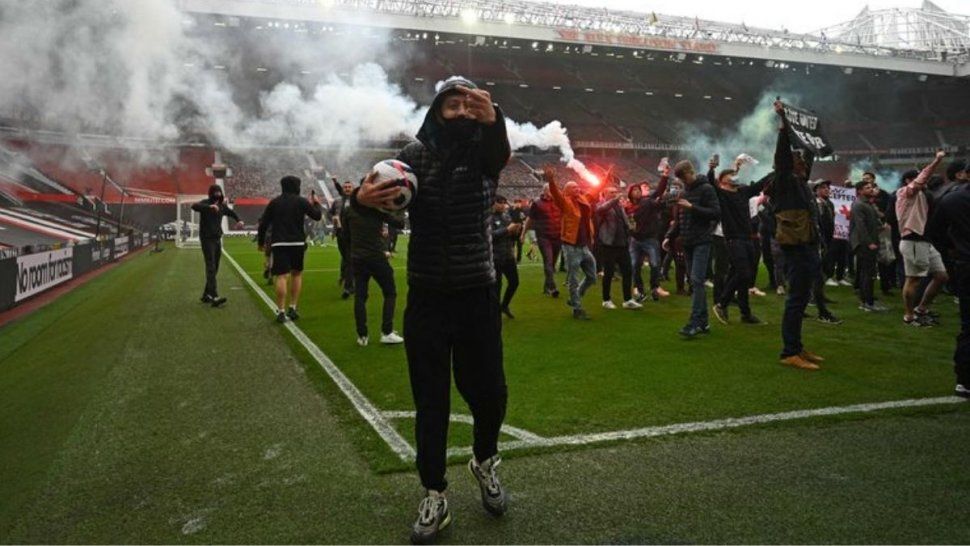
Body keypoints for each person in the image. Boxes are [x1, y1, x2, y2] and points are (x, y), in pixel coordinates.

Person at [355, 76, 510, 544]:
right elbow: (377, 201)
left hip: (477, 293)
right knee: (431, 402)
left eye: (469, 104)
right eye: (452, 104)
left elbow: (498, 154)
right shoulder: (412, 156)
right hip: (427, 297)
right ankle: (434, 492)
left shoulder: (485, 151)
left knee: (490, 395)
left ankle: (484, 460)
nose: (461, 111)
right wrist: (358, 201)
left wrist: (495, 120)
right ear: (437, 110)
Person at [766, 99, 825, 370]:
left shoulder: (800, 182)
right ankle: (789, 351)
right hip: (796, 246)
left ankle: (798, 346)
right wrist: (784, 126)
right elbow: (782, 157)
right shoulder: (785, 180)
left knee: (802, 297)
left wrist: (811, 130)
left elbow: (809, 154)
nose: (802, 162)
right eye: (798, 159)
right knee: (796, 299)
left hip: (807, 243)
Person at [663, 159, 721, 338]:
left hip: (702, 241)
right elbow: (681, 218)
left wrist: (692, 207)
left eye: (683, 178)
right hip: (687, 241)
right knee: (695, 282)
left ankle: (695, 322)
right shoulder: (684, 191)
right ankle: (702, 322)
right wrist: (669, 236)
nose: (682, 181)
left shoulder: (707, 189)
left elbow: (716, 213)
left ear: (690, 172)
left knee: (696, 281)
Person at [710, 158, 771, 325]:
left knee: (744, 276)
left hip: (747, 238)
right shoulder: (721, 195)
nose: (735, 176)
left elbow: (760, 184)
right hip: (733, 239)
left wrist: (777, 170)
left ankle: (745, 313)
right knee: (743, 273)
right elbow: (711, 183)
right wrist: (711, 169)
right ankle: (722, 303)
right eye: (731, 175)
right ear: (722, 181)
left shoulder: (743, 192)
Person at [925, 178, 970, 399]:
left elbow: (934, 232)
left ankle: (964, 379)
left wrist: (953, 250)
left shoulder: (952, 200)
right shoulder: (952, 199)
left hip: (965, 264)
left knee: (968, 325)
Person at [257, 176, 324, 323]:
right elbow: (317, 216)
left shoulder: (274, 202)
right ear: (297, 186)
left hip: (279, 243)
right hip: (297, 243)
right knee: (297, 274)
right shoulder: (301, 201)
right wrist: (317, 204)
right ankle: (293, 308)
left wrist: (261, 242)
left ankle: (280, 311)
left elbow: (263, 224)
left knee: (281, 276)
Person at [345, 188, 405, 346]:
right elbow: (400, 223)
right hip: (376, 256)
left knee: (360, 296)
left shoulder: (348, 210)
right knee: (390, 292)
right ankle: (387, 332)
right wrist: (396, 205)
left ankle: (362, 336)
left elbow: (346, 235)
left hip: (357, 257)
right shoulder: (377, 209)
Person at [897, 151, 948, 327]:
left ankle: (922, 309)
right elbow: (922, 179)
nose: (923, 180)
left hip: (925, 241)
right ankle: (909, 316)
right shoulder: (906, 192)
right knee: (913, 279)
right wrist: (937, 160)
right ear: (907, 180)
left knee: (941, 276)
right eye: (917, 177)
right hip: (913, 240)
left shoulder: (922, 196)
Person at [547, 168, 599, 320]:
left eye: (578, 187)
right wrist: (551, 181)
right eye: (574, 187)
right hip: (571, 246)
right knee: (573, 279)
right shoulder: (565, 202)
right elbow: (556, 194)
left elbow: (595, 190)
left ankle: (576, 297)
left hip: (583, 246)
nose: (578, 189)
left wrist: (606, 178)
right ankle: (577, 308)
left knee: (592, 277)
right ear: (568, 190)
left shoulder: (583, 199)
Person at [191, 184, 243, 307]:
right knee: (211, 267)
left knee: (215, 267)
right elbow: (194, 206)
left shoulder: (222, 206)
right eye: (215, 192)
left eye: (219, 192)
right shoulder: (205, 203)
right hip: (206, 239)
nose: (218, 195)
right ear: (211, 193)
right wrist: (210, 207)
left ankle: (206, 295)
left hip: (217, 239)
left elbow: (231, 213)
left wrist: (239, 220)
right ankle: (214, 296)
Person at [595, 185, 642, 310]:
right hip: (609, 244)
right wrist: (615, 199)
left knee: (627, 272)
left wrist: (630, 227)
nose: (615, 194)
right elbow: (601, 210)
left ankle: (628, 299)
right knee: (609, 273)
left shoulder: (619, 206)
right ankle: (606, 300)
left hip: (622, 244)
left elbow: (624, 220)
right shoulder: (601, 205)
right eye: (611, 192)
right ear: (604, 194)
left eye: (616, 192)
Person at [627, 171, 670, 302]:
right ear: (630, 193)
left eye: (638, 189)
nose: (637, 192)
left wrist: (664, 176)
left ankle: (654, 287)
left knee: (655, 264)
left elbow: (658, 191)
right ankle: (638, 288)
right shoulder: (627, 207)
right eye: (634, 190)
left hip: (650, 239)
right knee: (635, 265)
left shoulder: (647, 202)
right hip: (635, 240)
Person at [850, 180, 886, 312]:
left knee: (869, 273)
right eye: (867, 187)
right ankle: (867, 302)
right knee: (867, 273)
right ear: (860, 191)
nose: (871, 189)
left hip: (869, 242)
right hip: (864, 244)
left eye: (871, 187)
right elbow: (861, 227)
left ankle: (867, 300)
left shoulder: (868, 204)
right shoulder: (859, 205)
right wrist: (869, 242)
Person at [810, 180, 842, 324]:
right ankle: (816, 299)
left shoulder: (828, 203)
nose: (827, 190)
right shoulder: (817, 204)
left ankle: (819, 295)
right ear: (816, 190)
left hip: (828, 240)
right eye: (823, 187)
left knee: (827, 270)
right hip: (820, 242)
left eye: (828, 187)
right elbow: (819, 224)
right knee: (818, 272)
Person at [522, 184, 562, 297]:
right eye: (550, 189)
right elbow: (530, 219)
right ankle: (553, 288)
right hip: (544, 237)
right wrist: (523, 233)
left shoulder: (559, 201)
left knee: (552, 264)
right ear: (544, 191)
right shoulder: (537, 203)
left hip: (557, 236)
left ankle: (546, 287)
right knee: (548, 262)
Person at [490, 195, 521, 318]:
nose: (503, 205)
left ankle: (504, 305)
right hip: (495, 257)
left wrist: (517, 232)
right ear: (493, 203)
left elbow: (512, 237)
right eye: (500, 203)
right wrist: (508, 230)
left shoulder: (506, 216)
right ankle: (495, 312)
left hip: (508, 255)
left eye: (504, 203)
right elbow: (491, 236)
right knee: (497, 286)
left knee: (514, 282)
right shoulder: (488, 218)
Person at [332, 179, 355, 299]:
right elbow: (332, 214)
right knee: (346, 259)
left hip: (354, 235)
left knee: (350, 259)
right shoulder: (337, 202)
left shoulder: (356, 201)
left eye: (349, 187)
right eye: (345, 187)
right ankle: (347, 279)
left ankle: (348, 286)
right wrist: (334, 229)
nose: (347, 188)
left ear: (353, 188)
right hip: (341, 234)